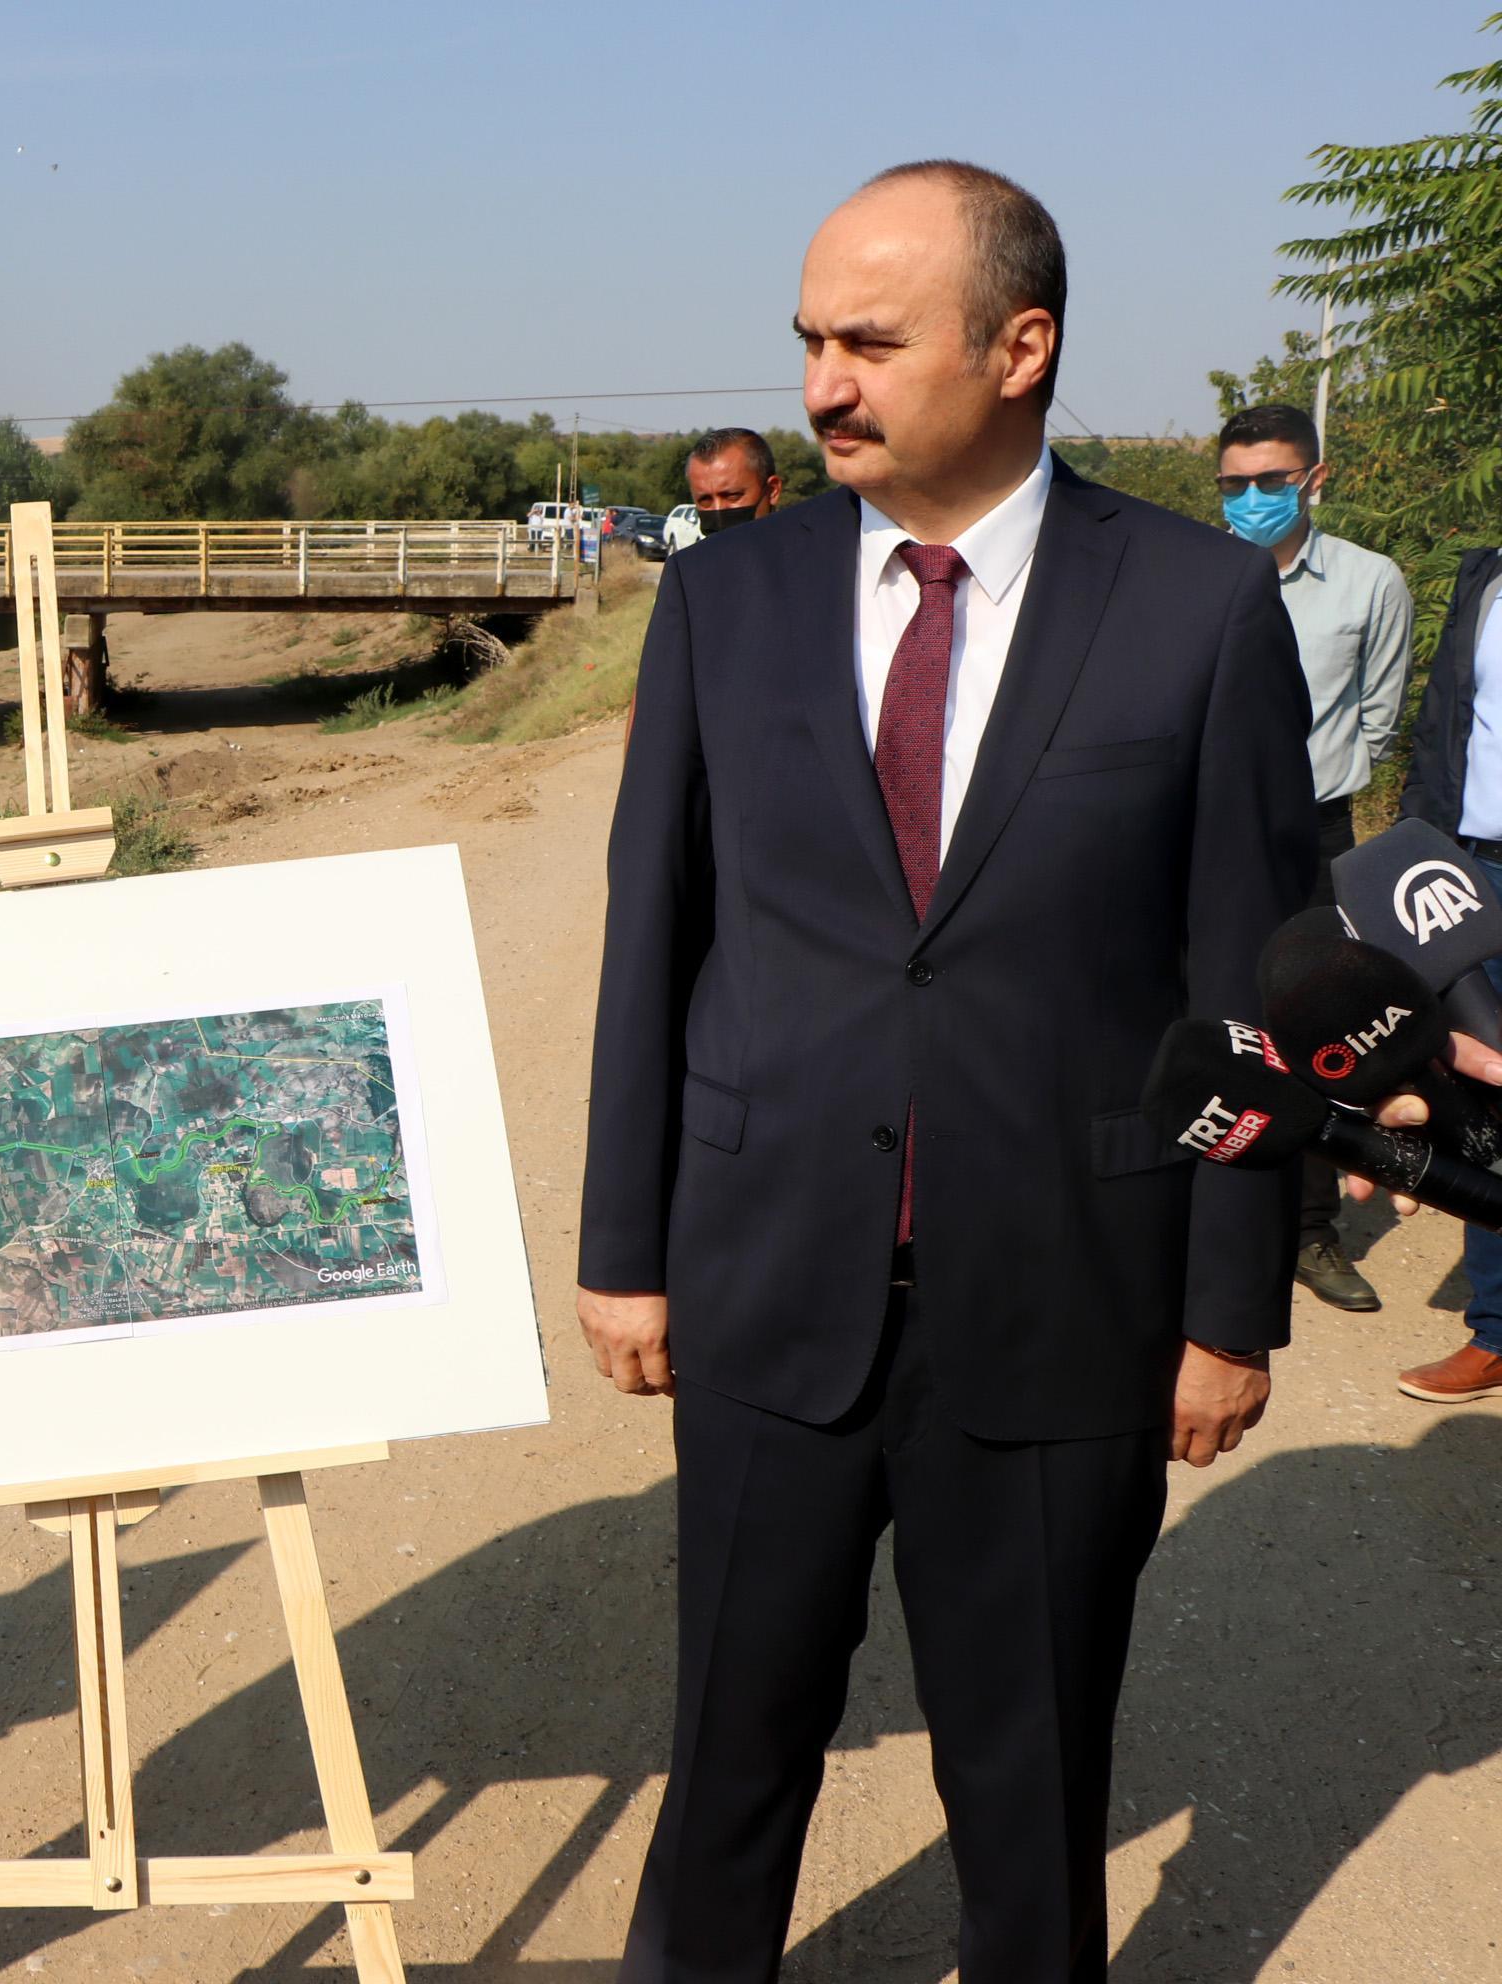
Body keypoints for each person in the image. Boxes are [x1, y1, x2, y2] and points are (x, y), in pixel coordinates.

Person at [579, 162, 1314, 1978]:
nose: (824, 382)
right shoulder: (723, 606)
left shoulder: (1194, 610)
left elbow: (1254, 986)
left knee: (1034, 1781)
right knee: (730, 1761)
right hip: (767, 1289)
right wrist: (623, 1242)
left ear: (1019, 346)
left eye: (868, 340)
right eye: (810, 342)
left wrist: (1232, 1304)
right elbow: (650, 937)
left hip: (1068, 1291)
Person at [1212, 402, 1413, 1315]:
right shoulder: (1199, 577)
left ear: (1314, 479)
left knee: (1317, 1031)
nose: (1251, 499)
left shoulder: (1371, 584)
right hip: (1210, 831)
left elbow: (1379, 714)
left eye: (1270, 481)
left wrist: (1323, 784)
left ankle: (1310, 1228)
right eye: (1234, 484)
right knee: (1210, 1013)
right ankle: (1201, 1212)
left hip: (1317, 832)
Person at [1388, 541, 1502, 1403]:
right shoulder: (1485, 573)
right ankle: (1496, 1328)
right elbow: (1442, 722)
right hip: (1475, 870)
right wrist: (1412, 852)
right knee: (1485, 1096)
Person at [682, 427, 784, 537]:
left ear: (773, 491)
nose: (718, 509)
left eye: (732, 496)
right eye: (705, 500)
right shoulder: (694, 554)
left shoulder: (801, 550)